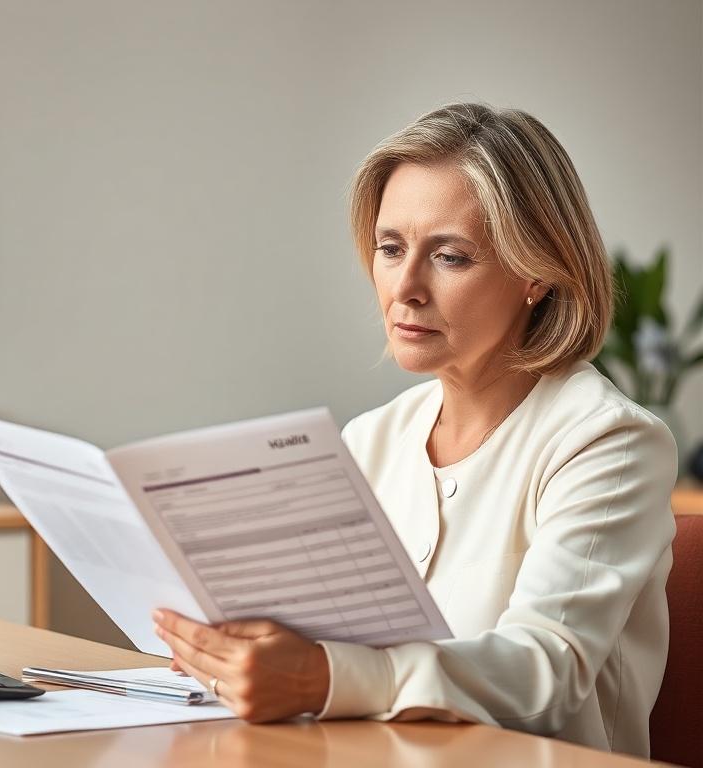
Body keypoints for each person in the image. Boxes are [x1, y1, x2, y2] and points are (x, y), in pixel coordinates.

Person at [152, 102, 677, 758]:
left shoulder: (608, 443)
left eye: (450, 257)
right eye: (390, 248)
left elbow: (545, 670)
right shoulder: (369, 441)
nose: (405, 286)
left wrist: (320, 675)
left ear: (536, 274)